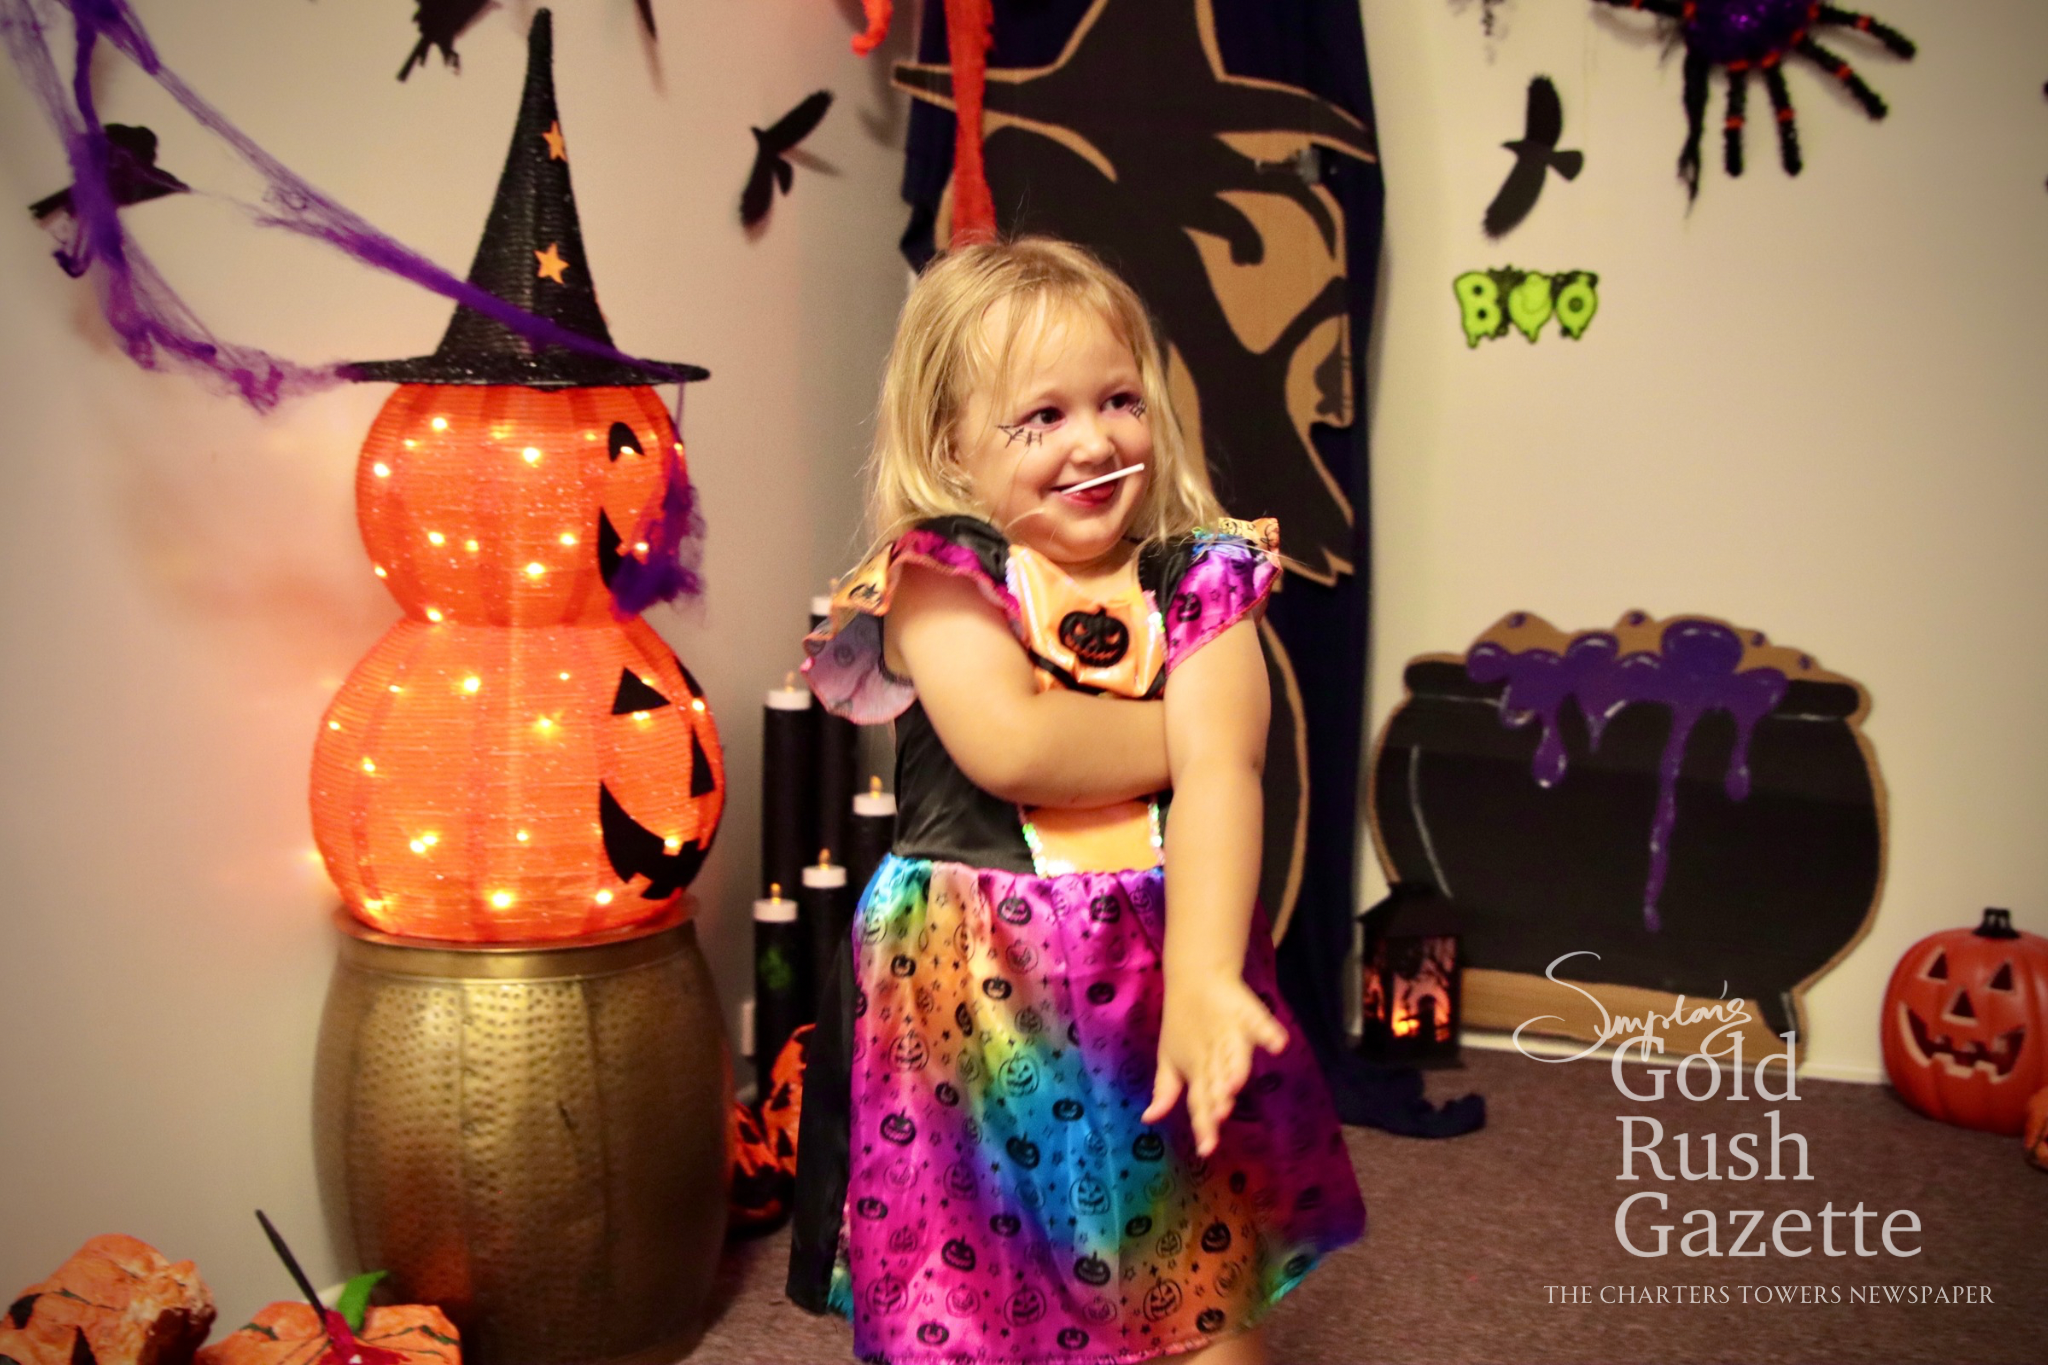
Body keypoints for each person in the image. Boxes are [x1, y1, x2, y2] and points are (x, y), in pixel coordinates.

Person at [788, 237, 1363, 1365]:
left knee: (1187, 1275)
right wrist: (1184, 742)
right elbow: (1015, 742)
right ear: (952, 448)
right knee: (975, 1274)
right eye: (1038, 419)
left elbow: (1229, 773)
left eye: (1115, 401)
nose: (1093, 440)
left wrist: (1203, 975)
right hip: (968, 994)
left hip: (1150, 978)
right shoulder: (938, 575)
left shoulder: (1200, 575)